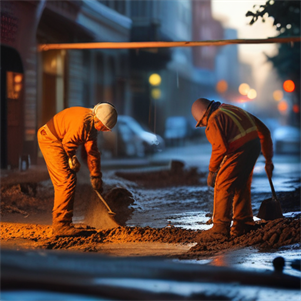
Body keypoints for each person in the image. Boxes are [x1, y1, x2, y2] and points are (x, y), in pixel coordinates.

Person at [191, 98, 273, 242]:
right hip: (254, 147)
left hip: (238, 149)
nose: (204, 126)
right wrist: (268, 159)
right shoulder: (233, 109)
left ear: (204, 115)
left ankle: (220, 229)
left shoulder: (214, 120)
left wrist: (212, 171)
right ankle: (243, 223)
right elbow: (264, 131)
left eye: (202, 123)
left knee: (223, 185)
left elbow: (220, 147)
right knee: (241, 184)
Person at [37, 102, 118, 237]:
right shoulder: (83, 123)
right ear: (99, 120)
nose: (104, 131)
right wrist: (71, 159)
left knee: (67, 179)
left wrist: (96, 175)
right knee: (66, 181)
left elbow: (92, 152)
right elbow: (68, 143)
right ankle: (61, 225)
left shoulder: (92, 124)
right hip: (50, 139)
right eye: (104, 128)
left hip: (58, 140)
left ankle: (63, 222)